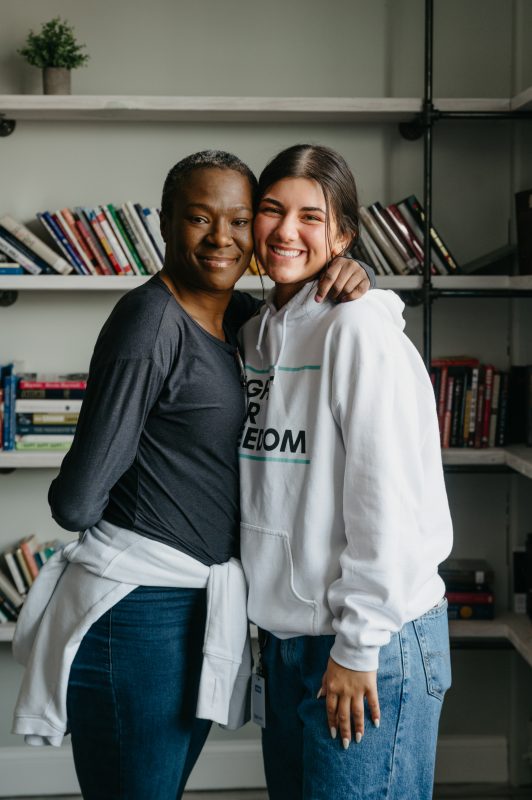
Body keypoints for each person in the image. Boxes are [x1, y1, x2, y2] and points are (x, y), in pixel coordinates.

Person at [11, 150, 374, 800]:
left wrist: (350, 271)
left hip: (196, 609)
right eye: (200, 219)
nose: (222, 238)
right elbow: (76, 500)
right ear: (165, 221)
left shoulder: (240, 320)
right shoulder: (150, 321)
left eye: (239, 220)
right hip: (139, 613)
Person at [238, 144, 453, 800]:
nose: (286, 230)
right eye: (271, 210)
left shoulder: (357, 330)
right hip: (287, 644)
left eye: (311, 216)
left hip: (370, 642)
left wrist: (357, 645)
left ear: (343, 236)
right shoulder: (253, 336)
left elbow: (383, 500)